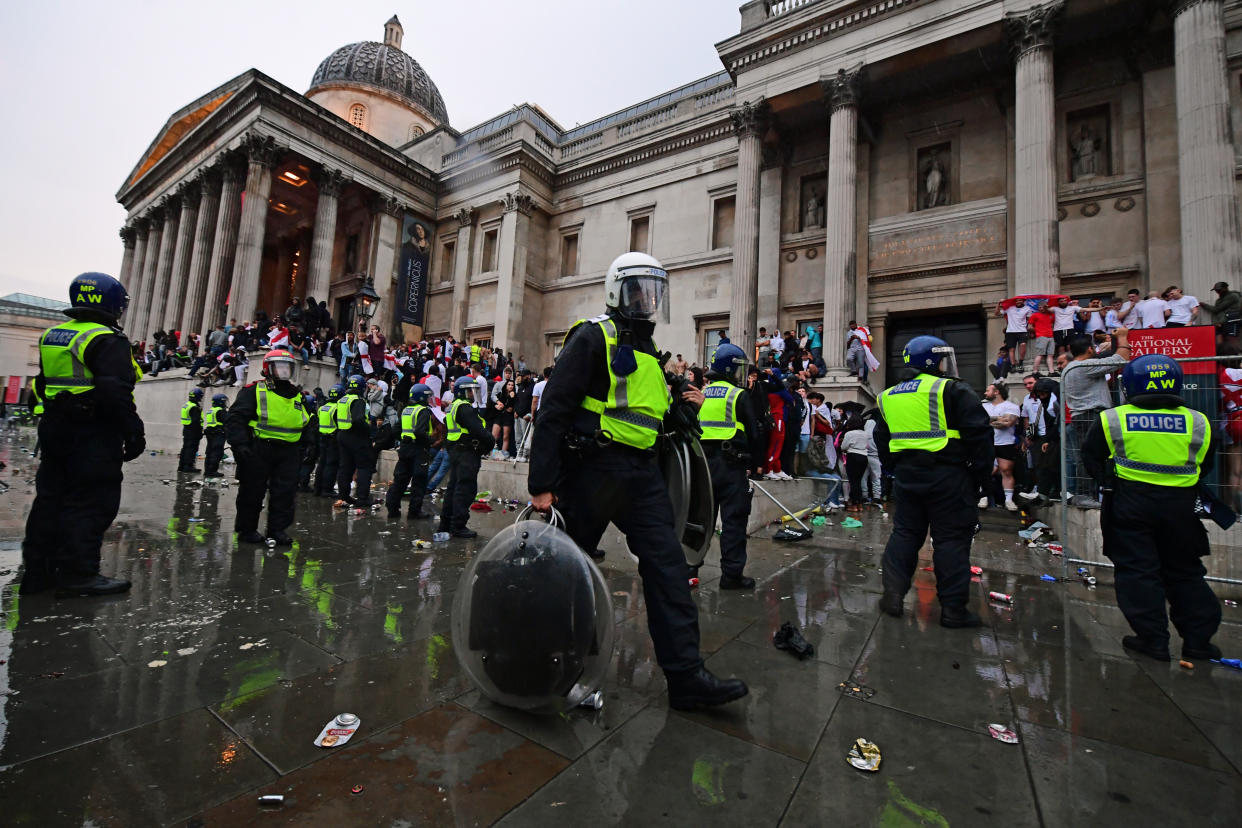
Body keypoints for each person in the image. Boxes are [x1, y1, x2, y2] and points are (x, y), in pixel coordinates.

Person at [528, 251, 748, 710]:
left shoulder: (651, 355)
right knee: (568, 572)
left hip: (642, 477)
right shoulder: (592, 336)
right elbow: (553, 410)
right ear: (617, 291)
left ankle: (686, 678)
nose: (648, 299)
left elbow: (656, 421)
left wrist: (686, 408)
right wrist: (542, 486)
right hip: (591, 471)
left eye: (655, 291)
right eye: (639, 290)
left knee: (670, 570)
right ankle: (547, 666)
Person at [1080, 355, 1222, 662]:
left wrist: (1110, 481)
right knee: (1185, 572)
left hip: (1129, 503)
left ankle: (1152, 640)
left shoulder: (1113, 418)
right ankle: (1198, 641)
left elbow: (1091, 457)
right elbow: (1206, 463)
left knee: (1137, 572)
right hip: (1181, 507)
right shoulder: (1198, 421)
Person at [21, 272, 144, 596]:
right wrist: (133, 431)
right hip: (93, 430)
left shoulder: (54, 335)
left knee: (50, 500)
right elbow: (115, 390)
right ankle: (78, 573)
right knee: (90, 503)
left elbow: (43, 385)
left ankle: (38, 573)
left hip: (56, 426)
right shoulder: (106, 339)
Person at [874, 335, 993, 627]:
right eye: (941, 358)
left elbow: (881, 437)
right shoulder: (951, 389)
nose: (945, 364)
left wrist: (895, 469)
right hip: (950, 477)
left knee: (904, 535)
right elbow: (980, 436)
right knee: (950, 541)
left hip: (907, 477)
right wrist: (978, 478)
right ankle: (953, 611)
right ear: (930, 360)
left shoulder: (887, 396)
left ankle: (892, 595)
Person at [696, 343, 765, 588]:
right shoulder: (738, 395)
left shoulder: (700, 392)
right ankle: (731, 576)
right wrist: (757, 463)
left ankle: (690, 570)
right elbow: (755, 434)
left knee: (700, 521)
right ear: (729, 369)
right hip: (731, 466)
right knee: (733, 522)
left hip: (703, 466)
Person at [225, 349, 308, 545]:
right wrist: (240, 444)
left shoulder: (297, 394)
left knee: (285, 493)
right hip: (259, 448)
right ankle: (247, 529)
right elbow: (236, 419)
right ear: (268, 369)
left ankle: (277, 530)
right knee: (252, 492)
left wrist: (308, 444)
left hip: (288, 451)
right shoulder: (254, 391)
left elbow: (308, 421)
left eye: (287, 367)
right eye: (280, 367)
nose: (284, 371)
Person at [1061, 329, 1132, 504]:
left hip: (1083, 416)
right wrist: (1122, 336)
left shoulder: (1073, 367)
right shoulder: (1083, 366)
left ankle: (1090, 494)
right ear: (1090, 350)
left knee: (1089, 456)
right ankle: (1085, 495)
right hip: (1090, 416)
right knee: (1089, 457)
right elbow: (1121, 358)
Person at [439, 375, 495, 538]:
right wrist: (490, 442)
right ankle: (458, 526)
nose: (473, 394)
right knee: (465, 490)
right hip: (467, 453)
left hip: (457, 451)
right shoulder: (464, 408)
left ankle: (446, 524)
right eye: (471, 391)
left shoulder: (453, 406)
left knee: (453, 488)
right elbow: (479, 431)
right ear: (462, 392)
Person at [386, 383, 437, 520]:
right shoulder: (423, 411)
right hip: (419, 449)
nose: (428, 400)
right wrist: (430, 441)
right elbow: (420, 432)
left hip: (405, 449)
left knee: (400, 480)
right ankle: (414, 512)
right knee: (419, 482)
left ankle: (392, 508)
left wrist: (404, 439)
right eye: (427, 397)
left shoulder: (407, 410)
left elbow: (396, 430)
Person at [335, 375, 375, 509]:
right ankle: (362, 498)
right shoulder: (358, 400)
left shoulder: (343, 399)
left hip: (342, 434)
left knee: (345, 467)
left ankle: (344, 496)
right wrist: (369, 429)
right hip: (357, 436)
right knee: (364, 467)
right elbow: (358, 420)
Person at [980, 382, 1021, 511]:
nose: (985, 393)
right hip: (986, 442)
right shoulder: (983, 406)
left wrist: (988, 420)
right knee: (985, 470)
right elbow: (977, 421)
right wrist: (998, 419)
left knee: (1006, 470)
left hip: (1005, 443)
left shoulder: (1011, 406)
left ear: (996, 392)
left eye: (988, 390)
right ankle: (983, 496)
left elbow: (1007, 423)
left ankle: (1008, 500)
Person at [314, 384, 342, 497]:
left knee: (321, 463)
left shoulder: (323, 407)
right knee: (331, 464)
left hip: (322, 438)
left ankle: (317, 488)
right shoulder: (337, 408)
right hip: (332, 439)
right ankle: (327, 489)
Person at [1201, 281, 1242, 346]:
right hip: (1222, 322)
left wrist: (1204, 305)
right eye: (1216, 290)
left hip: (1231, 321)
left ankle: (1235, 354)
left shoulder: (1232, 296)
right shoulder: (1220, 299)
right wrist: (1216, 322)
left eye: (1218, 290)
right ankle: (1223, 353)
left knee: (1232, 339)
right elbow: (1217, 311)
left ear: (1225, 288)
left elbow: (1216, 309)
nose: (1217, 291)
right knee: (1221, 341)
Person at [178, 388, 204, 472]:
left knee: (185, 448)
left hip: (186, 429)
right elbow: (196, 422)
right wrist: (199, 432)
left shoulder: (187, 405)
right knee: (191, 449)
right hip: (193, 431)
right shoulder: (194, 407)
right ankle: (188, 466)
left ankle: (181, 466)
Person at [203, 393, 228, 478]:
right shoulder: (221, 411)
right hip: (218, 433)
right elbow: (227, 421)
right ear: (221, 402)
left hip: (210, 433)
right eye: (224, 402)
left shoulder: (211, 410)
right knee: (216, 453)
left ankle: (207, 471)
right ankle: (212, 471)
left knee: (209, 452)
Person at [1029, 300, 1054, 374]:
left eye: (1043, 307)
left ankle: (1051, 371)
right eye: (1040, 307)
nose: (1041, 309)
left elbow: (1052, 322)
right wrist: (1037, 330)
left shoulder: (1051, 315)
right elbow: (1029, 327)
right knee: (1040, 354)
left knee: (1050, 355)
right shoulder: (1035, 315)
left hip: (1050, 336)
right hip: (1041, 336)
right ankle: (1035, 371)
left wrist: (1047, 307)